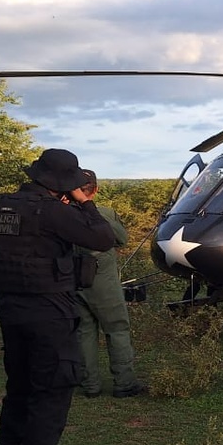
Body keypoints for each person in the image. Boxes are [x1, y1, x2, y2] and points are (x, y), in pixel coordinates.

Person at [0, 148, 117, 445]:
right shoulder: (52, 211)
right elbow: (103, 239)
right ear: (63, 184)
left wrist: (7, 298)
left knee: (18, 388)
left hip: (11, 311)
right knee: (51, 392)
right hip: (49, 312)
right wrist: (85, 203)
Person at [75, 169, 147, 399]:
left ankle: (90, 385)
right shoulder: (104, 213)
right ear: (95, 189)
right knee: (117, 329)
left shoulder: (61, 214)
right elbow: (122, 239)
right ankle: (124, 383)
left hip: (72, 279)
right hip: (102, 280)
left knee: (84, 331)